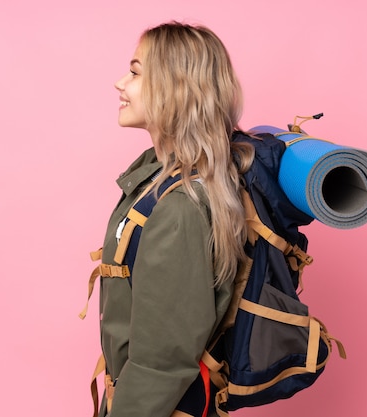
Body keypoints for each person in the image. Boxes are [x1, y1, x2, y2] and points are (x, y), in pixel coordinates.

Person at [96, 21, 254, 417]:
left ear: (175, 86)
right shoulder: (158, 176)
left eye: (134, 72)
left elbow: (161, 364)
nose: (120, 83)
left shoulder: (178, 208)